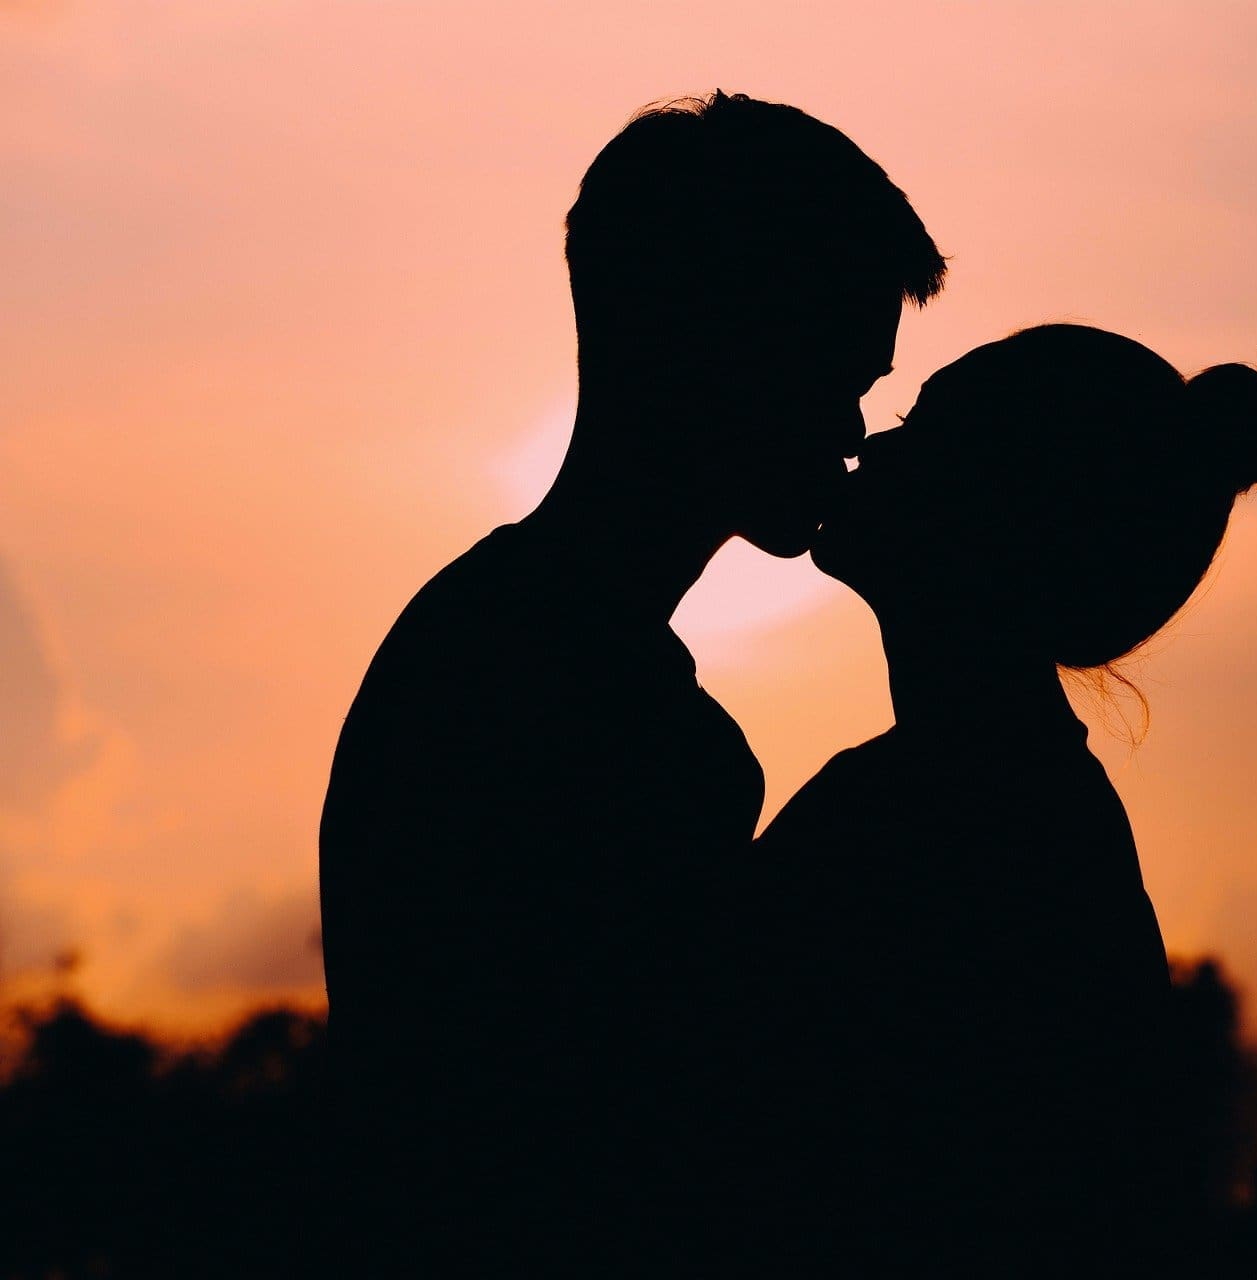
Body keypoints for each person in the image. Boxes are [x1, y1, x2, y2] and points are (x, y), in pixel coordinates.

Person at [317, 91, 944, 1274]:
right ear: (718, 345)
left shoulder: (483, 645)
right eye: (835, 373)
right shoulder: (592, 708)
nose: (855, 431)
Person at [752, 323, 1257, 1274]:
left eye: (920, 432)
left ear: (996, 515)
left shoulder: (942, 830)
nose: (867, 447)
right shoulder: (1011, 807)